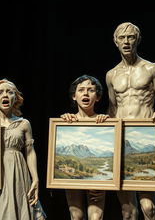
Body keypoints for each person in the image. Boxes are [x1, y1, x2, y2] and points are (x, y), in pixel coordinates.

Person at [106, 22, 155, 220]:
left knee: (148, 207)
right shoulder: (111, 75)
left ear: (138, 40)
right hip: (121, 140)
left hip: (145, 139)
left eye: (131, 37)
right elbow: (112, 109)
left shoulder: (151, 68)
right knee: (128, 211)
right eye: (122, 38)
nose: (126, 42)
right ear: (115, 42)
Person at [0, 79, 46, 220]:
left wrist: (35, 178)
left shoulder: (24, 124)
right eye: (0, 92)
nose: (5, 95)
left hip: (18, 171)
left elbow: (30, 152)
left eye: (10, 92)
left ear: (15, 98)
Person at [61, 74, 108, 220]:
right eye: (81, 90)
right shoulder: (66, 121)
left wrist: (107, 184)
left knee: (96, 217)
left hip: (97, 180)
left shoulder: (106, 123)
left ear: (98, 97)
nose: (86, 93)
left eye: (91, 90)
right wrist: (62, 124)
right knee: (77, 216)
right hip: (72, 179)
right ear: (74, 96)